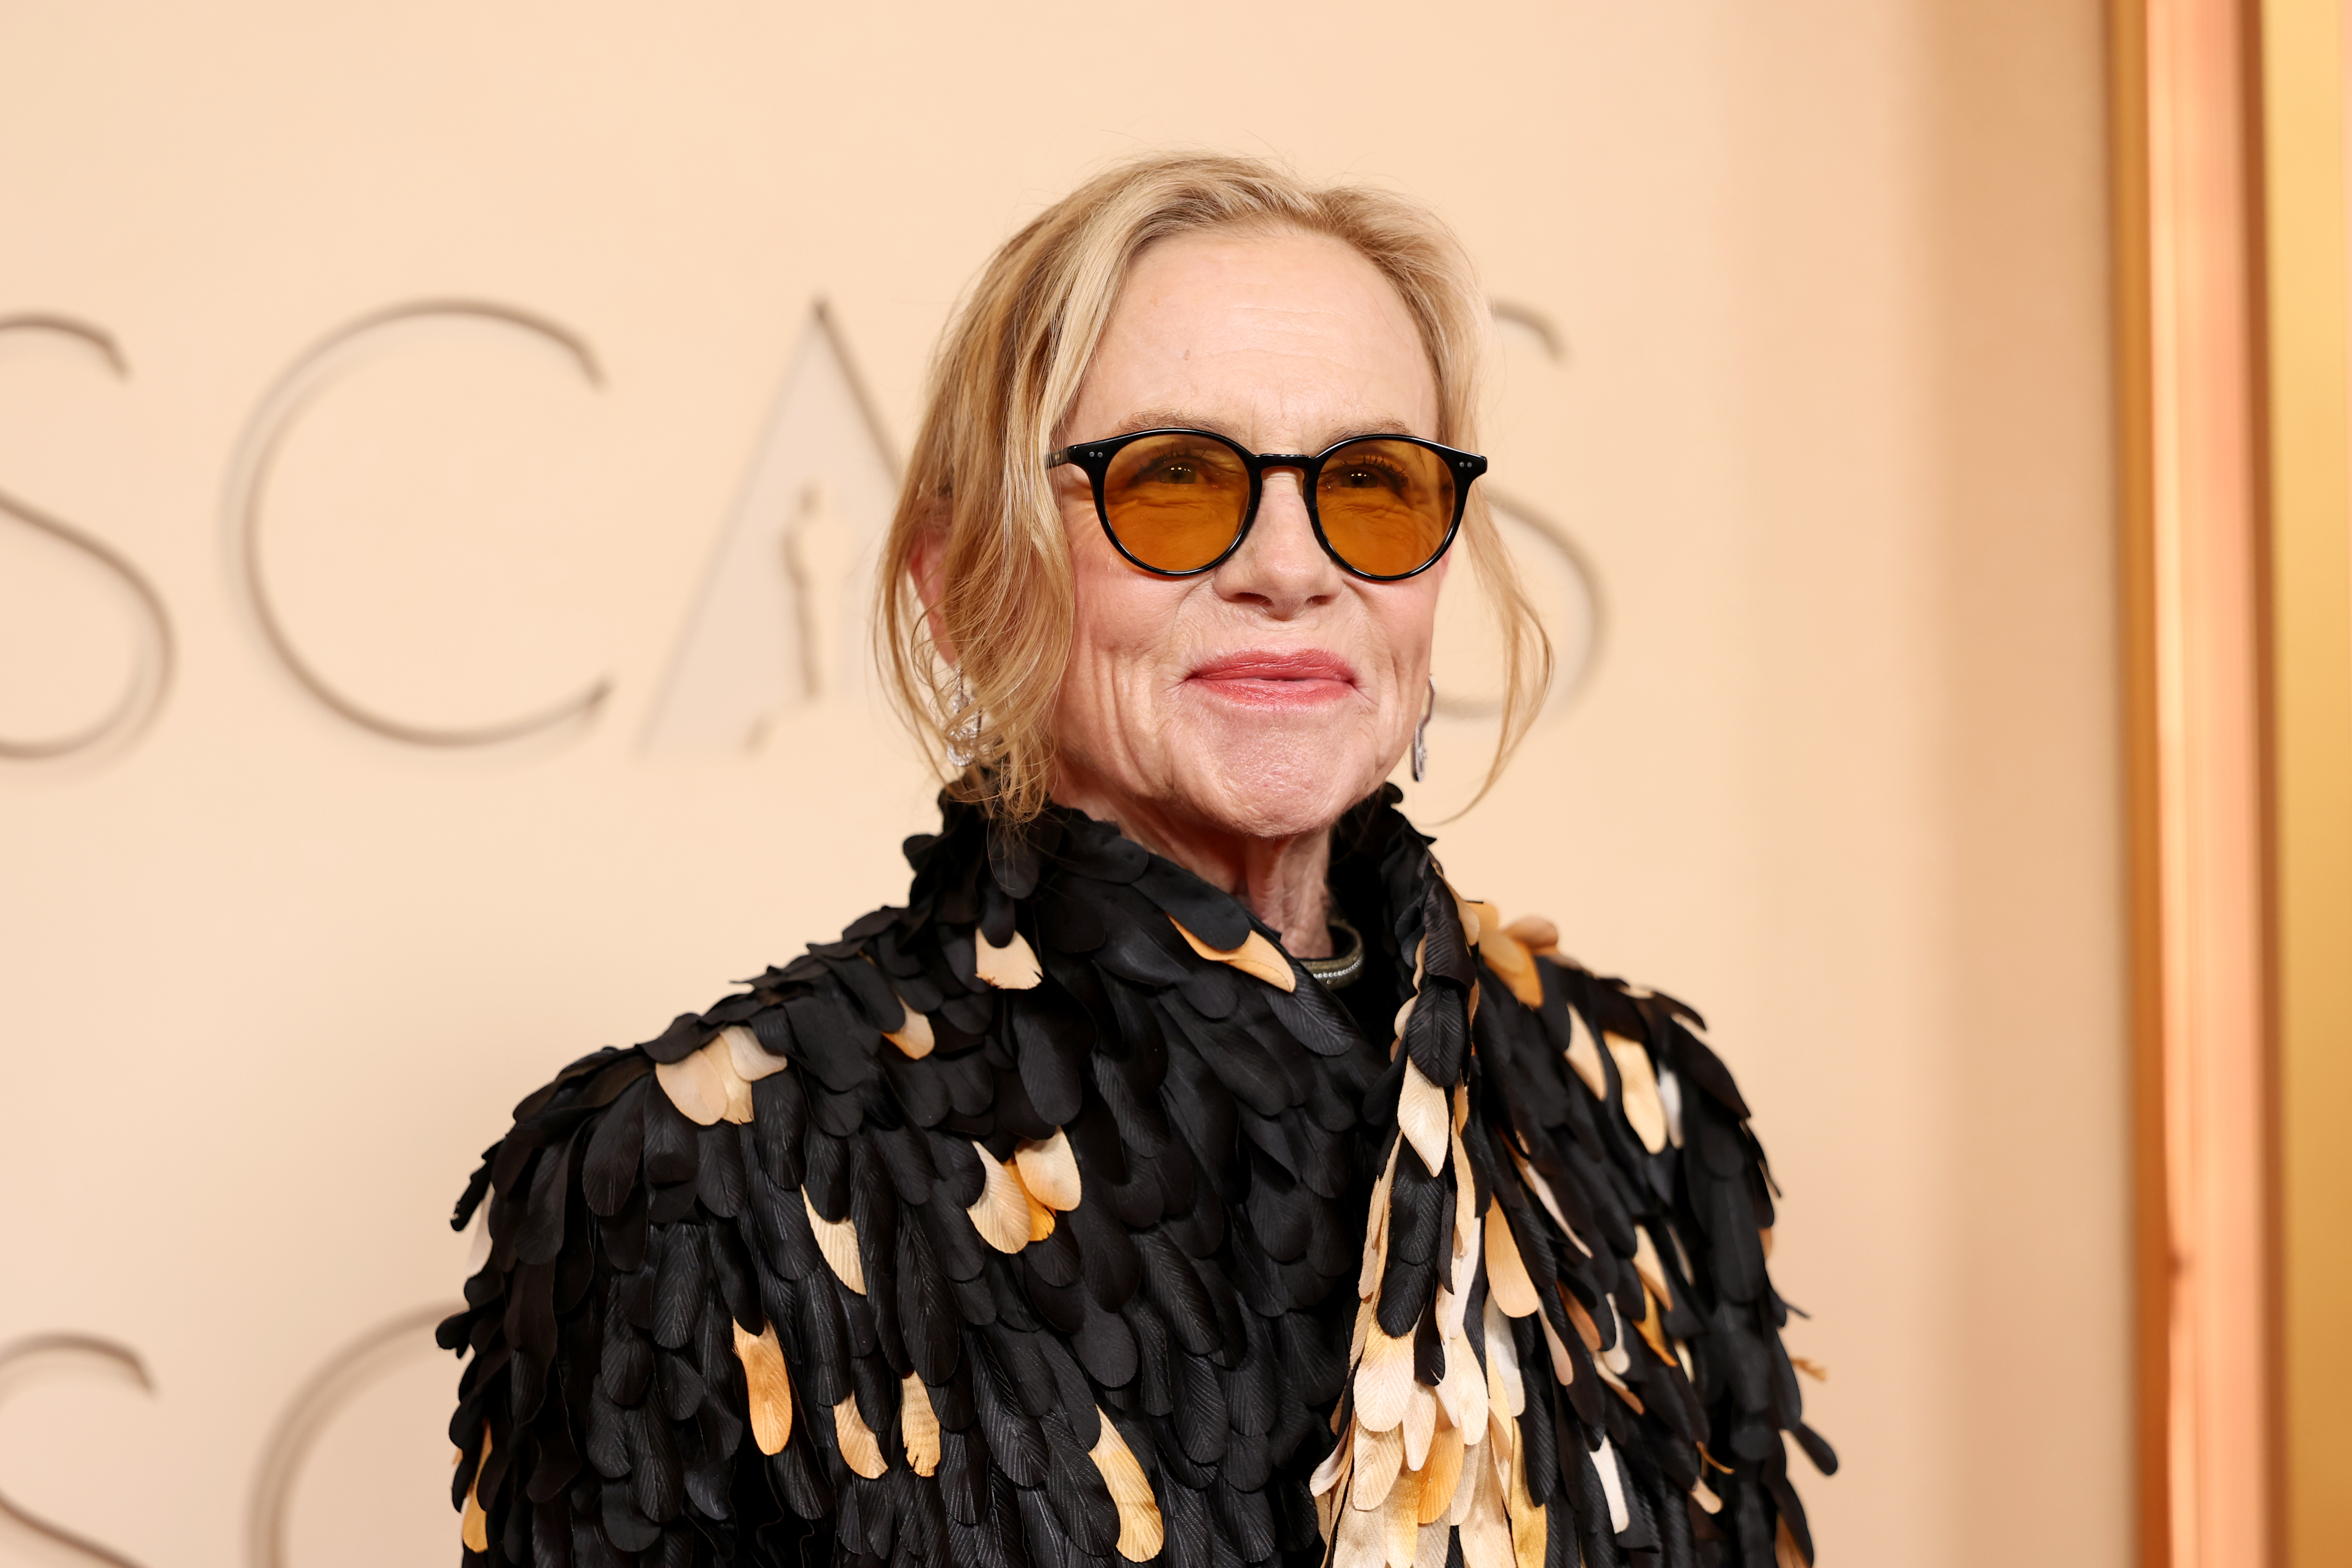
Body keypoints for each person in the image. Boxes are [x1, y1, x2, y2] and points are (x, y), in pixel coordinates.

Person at [441, 153, 1829, 1568]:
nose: (1293, 569)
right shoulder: (694, 1179)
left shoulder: (1640, 1116)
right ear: (965, 583)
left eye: (1371, 485)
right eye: (1173, 481)